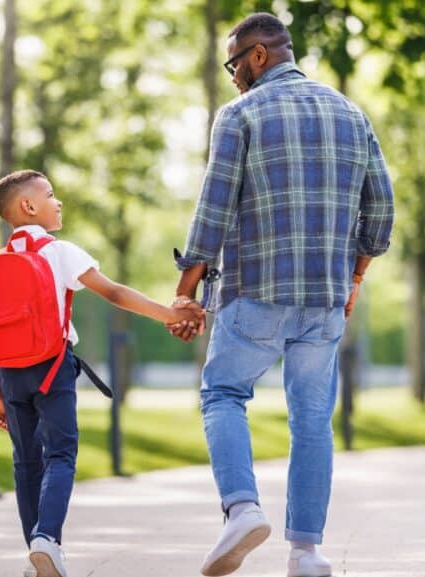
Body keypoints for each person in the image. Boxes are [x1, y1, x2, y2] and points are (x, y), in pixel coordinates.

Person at [168, 13, 395, 577]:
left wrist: (184, 294)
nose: (233, 77)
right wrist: (356, 276)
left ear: (259, 55)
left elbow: (213, 211)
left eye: (234, 64)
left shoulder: (240, 114)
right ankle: (307, 553)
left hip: (257, 291)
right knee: (313, 420)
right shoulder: (351, 112)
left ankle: (242, 509)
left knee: (222, 392)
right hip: (324, 299)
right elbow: (383, 210)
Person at [0, 169, 203, 577]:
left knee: (26, 462)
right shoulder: (60, 251)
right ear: (28, 206)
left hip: (9, 375)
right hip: (51, 368)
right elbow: (115, 292)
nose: (58, 201)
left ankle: (36, 550)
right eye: (50, 194)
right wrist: (171, 313)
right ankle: (47, 540)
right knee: (61, 453)